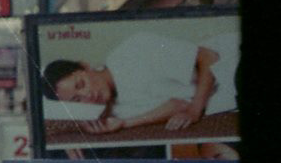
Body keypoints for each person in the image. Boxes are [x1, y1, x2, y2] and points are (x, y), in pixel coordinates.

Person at [41, 28, 239, 135]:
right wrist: (124, 124)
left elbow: (209, 57)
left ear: (86, 66)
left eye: (81, 84)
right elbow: (177, 105)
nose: (88, 96)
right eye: (77, 100)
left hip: (232, 61)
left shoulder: (133, 49)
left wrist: (194, 110)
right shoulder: (115, 109)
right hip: (228, 98)